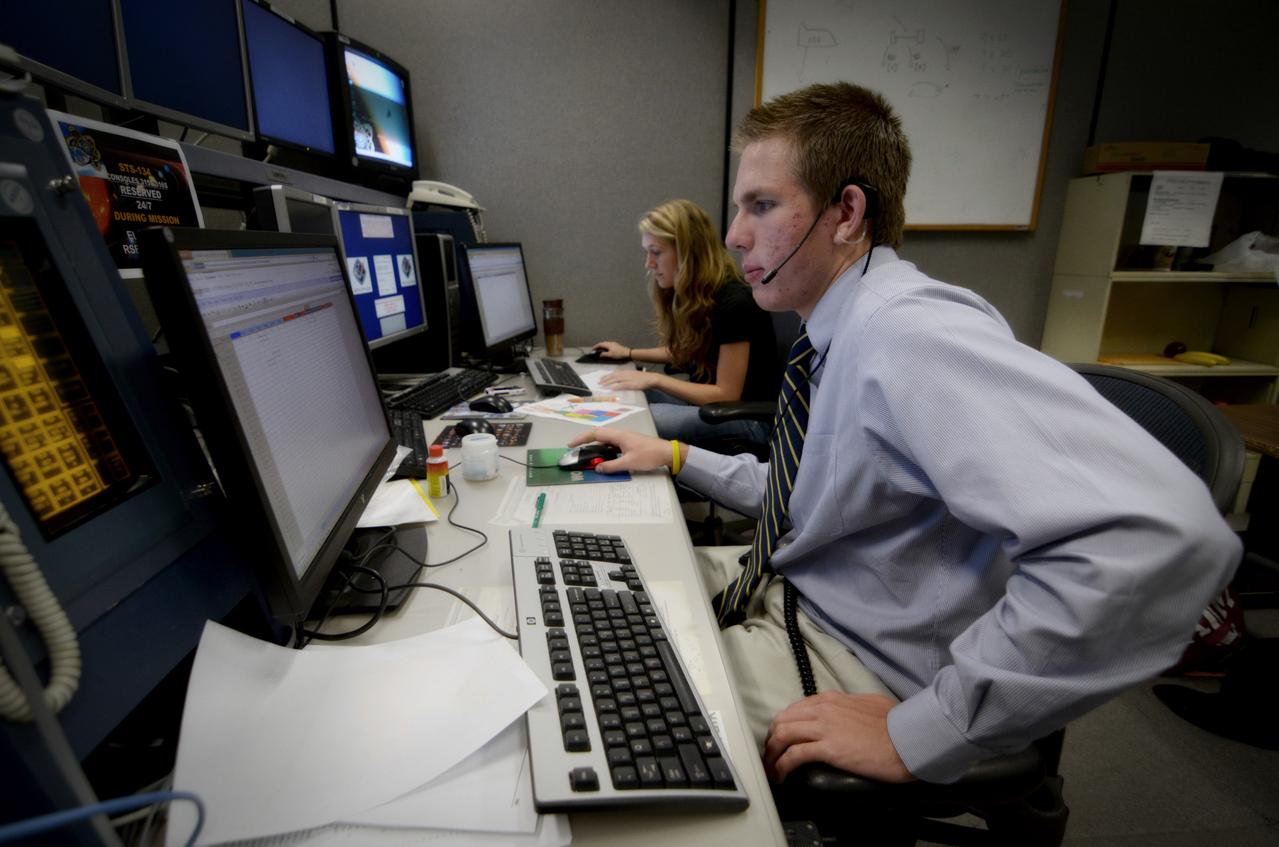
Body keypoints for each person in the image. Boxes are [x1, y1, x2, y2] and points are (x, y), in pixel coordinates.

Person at [570, 82, 1241, 788]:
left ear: (847, 212)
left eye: (760, 206)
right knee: (598, 591)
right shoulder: (838, 331)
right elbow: (811, 491)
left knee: (598, 716)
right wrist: (675, 454)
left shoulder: (907, 333)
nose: (734, 233)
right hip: (793, 587)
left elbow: (1156, 539)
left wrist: (930, 727)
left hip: (860, 657)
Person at [590, 199, 780, 446]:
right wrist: (628, 353)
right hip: (711, 409)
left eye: (656, 252)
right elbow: (689, 351)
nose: (648, 263)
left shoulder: (735, 302)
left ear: (688, 251)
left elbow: (726, 394)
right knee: (624, 395)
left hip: (746, 420)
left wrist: (656, 379)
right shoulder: (698, 293)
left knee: (636, 419)